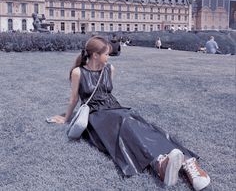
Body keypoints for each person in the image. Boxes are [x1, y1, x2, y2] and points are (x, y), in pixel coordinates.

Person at [50, 36, 210, 191]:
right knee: (125, 123)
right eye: (106, 53)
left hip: (115, 108)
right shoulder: (78, 72)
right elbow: (73, 99)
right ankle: (159, 163)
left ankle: (188, 163)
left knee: (142, 124)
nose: (109, 56)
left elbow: (107, 94)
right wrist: (66, 118)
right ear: (95, 55)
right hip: (96, 115)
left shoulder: (109, 69)